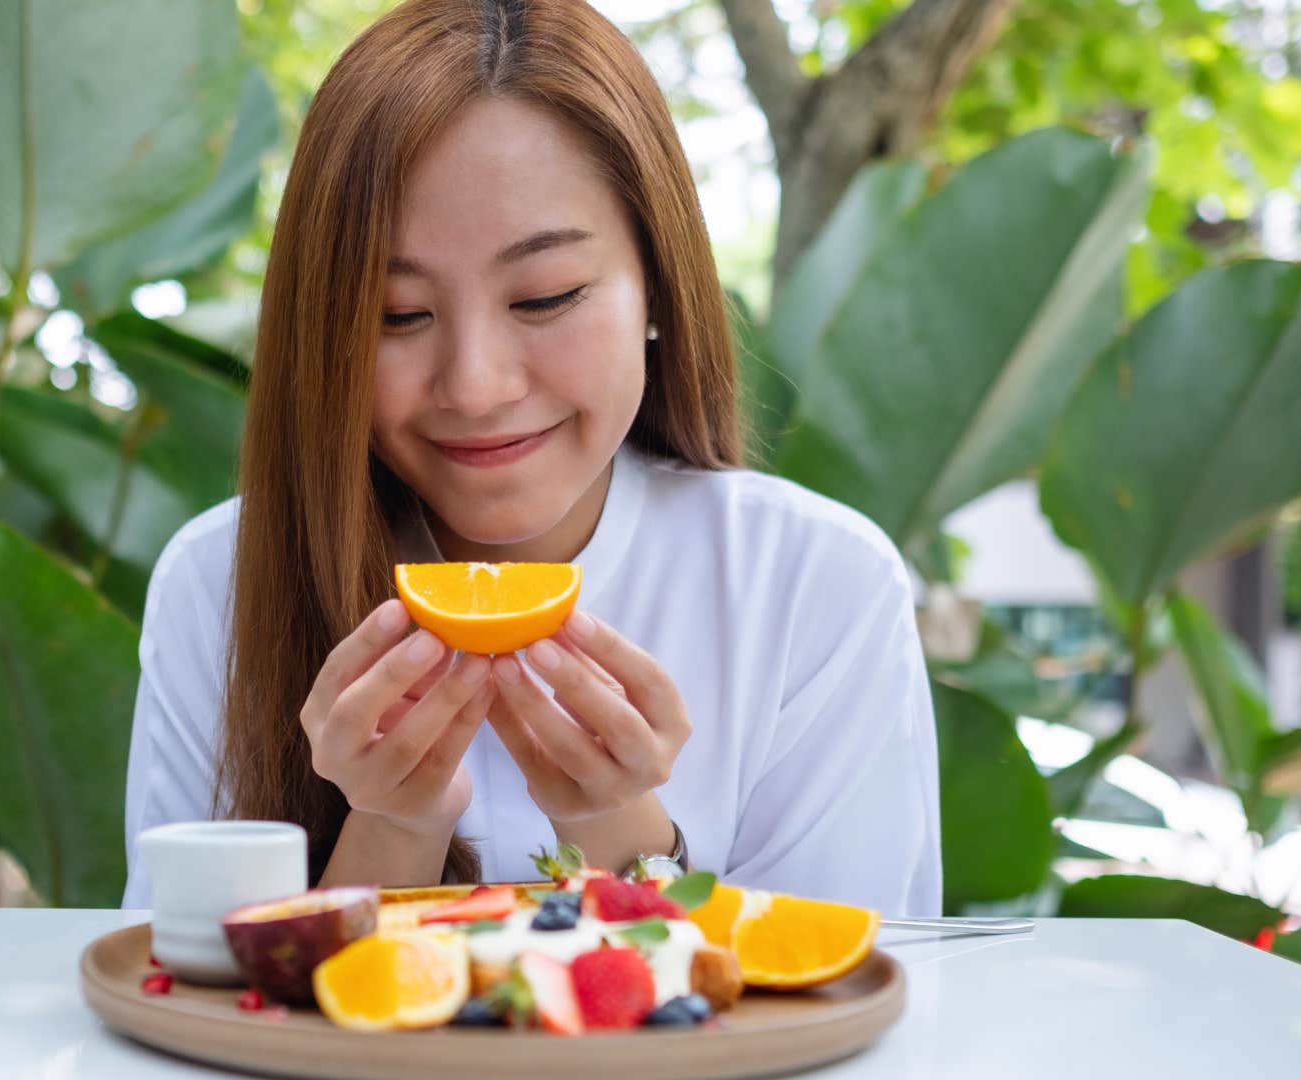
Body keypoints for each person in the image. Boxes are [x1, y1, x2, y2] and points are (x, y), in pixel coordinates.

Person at [121, 0, 940, 916]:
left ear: (659, 289)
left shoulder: (814, 584)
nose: (475, 386)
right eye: (397, 314)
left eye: (547, 297)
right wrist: (394, 819)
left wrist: (622, 823)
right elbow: (183, 1004)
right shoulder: (221, 581)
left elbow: (842, 994)